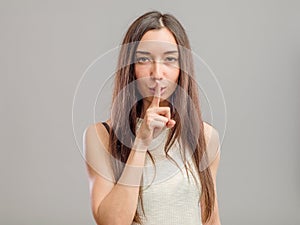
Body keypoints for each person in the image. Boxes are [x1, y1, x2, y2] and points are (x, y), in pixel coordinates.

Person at [83, 10, 221, 225]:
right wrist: (140, 142)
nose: (157, 72)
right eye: (144, 59)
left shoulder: (205, 136)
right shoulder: (101, 136)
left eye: (170, 59)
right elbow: (111, 222)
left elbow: (211, 220)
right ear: (131, 68)